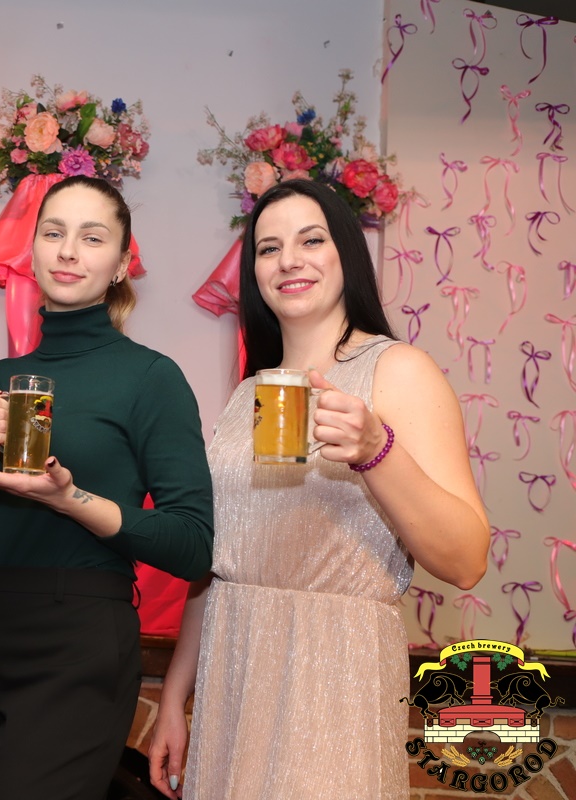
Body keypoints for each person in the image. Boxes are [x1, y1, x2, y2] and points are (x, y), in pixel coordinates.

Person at [147, 179, 489, 799]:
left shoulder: (398, 370)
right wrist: (175, 696)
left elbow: (466, 561)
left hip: (335, 676)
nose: (288, 261)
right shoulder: (247, 394)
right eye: (268, 248)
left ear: (346, 255)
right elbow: (218, 561)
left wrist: (376, 449)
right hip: (233, 672)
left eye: (311, 240)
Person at [0, 175, 215, 800]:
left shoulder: (150, 378)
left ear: (120, 265)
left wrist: (71, 500)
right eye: (54, 233)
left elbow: (194, 545)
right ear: (32, 251)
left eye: (92, 238)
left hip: (81, 638)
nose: (68, 251)